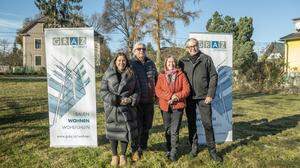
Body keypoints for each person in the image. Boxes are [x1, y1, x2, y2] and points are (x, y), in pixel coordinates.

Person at [178, 38, 222, 162]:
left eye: (194, 45)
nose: (192, 48)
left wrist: (210, 94)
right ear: (186, 48)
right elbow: (178, 77)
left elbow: (213, 75)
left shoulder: (206, 59)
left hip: (204, 97)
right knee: (191, 124)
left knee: (207, 124)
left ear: (198, 45)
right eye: (190, 46)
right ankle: (194, 147)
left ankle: (212, 151)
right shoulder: (182, 61)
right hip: (189, 97)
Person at [100, 52, 140, 166]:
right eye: (119, 60)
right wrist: (116, 99)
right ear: (115, 61)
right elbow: (103, 92)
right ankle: (114, 155)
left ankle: (122, 155)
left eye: (123, 60)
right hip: (112, 108)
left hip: (127, 108)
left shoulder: (131, 74)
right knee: (112, 133)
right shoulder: (108, 73)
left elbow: (137, 91)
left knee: (124, 132)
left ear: (126, 62)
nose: (121, 63)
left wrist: (131, 99)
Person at [155, 56, 190, 161]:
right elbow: (157, 90)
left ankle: (174, 152)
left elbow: (187, 90)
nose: (171, 63)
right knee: (167, 129)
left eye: (173, 62)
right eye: (169, 62)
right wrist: (170, 96)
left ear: (176, 64)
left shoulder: (181, 75)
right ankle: (168, 148)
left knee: (174, 130)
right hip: (165, 106)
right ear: (166, 63)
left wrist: (177, 96)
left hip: (177, 106)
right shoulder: (161, 75)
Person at [130, 42, 158, 160]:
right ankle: (135, 149)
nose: (141, 51)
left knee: (147, 125)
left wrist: (157, 95)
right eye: (138, 49)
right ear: (134, 51)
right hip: (137, 102)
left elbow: (156, 78)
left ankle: (144, 146)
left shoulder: (150, 63)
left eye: (143, 49)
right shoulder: (131, 64)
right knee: (137, 127)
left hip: (149, 100)